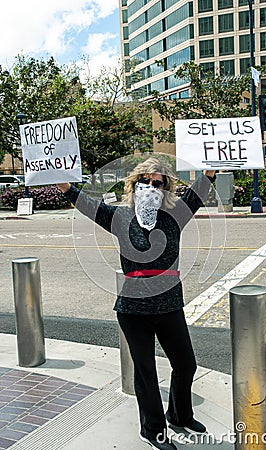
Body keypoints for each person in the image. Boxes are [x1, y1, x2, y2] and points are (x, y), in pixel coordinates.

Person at [57, 157, 215, 450]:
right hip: (133, 310)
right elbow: (90, 206)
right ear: (134, 184)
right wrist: (66, 186)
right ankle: (153, 430)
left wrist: (210, 171)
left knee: (186, 364)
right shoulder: (120, 217)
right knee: (146, 373)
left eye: (158, 183)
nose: (151, 187)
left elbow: (197, 193)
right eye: (146, 181)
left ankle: (180, 414)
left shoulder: (175, 215)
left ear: (166, 188)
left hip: (169, 304)